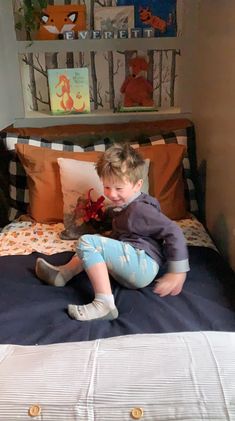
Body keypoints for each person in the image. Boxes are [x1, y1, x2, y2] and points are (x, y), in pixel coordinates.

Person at [36, 143, 190, 322]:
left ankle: (105, 304)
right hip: (133, 263)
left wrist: (177, 272)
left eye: (119, 188)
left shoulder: (141, 209)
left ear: (137, 184)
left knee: (87, 242)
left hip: (142, 264)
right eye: (107, 187)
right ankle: (62, 274)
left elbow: (173, 230)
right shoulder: (125, 208)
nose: (112, 194)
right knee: (93, 243)